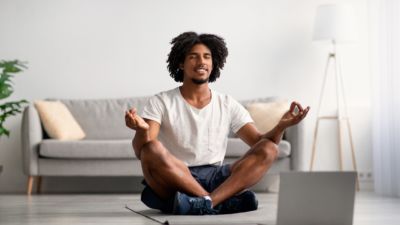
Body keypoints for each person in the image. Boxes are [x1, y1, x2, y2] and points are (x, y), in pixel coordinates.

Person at [125, 31, 309, 215]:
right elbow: (142, 151)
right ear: (181, 63)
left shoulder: (227, 103)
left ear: (213, 64)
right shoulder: (161, 101)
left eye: (207, 57)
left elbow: (259, 143)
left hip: (216, 176)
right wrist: (141, 130)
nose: (201, 62)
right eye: (193, 57)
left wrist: (280, 126)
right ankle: (218, 201)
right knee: (151, 149)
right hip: (177, 175)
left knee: (270, 149)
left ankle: (205, 202)